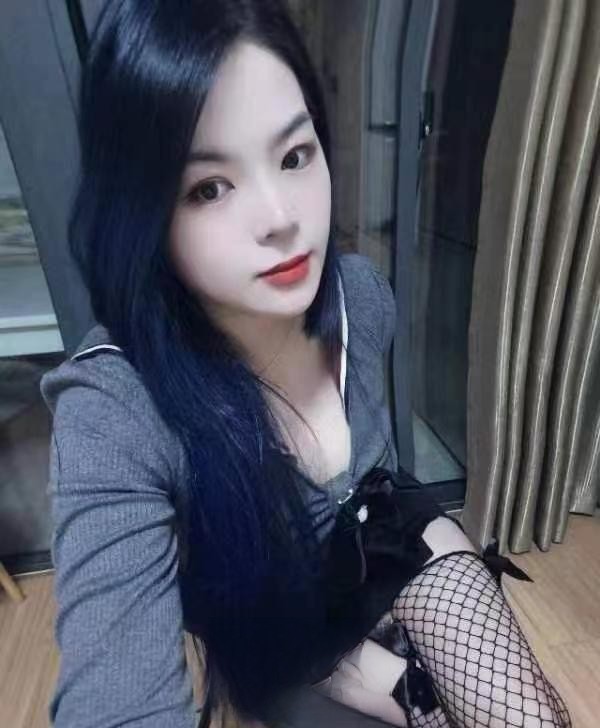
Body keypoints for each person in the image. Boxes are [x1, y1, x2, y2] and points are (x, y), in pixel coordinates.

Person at [40, 1, 571, 727]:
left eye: (294, 156)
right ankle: (361, 673)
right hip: (270, 626)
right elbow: (114, 700)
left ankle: (386, 662)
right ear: (140, 211)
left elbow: (376, 479)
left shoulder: (361, 300)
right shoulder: (115, 410)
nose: (281, 217)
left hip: (377, 545)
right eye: (208, 188)